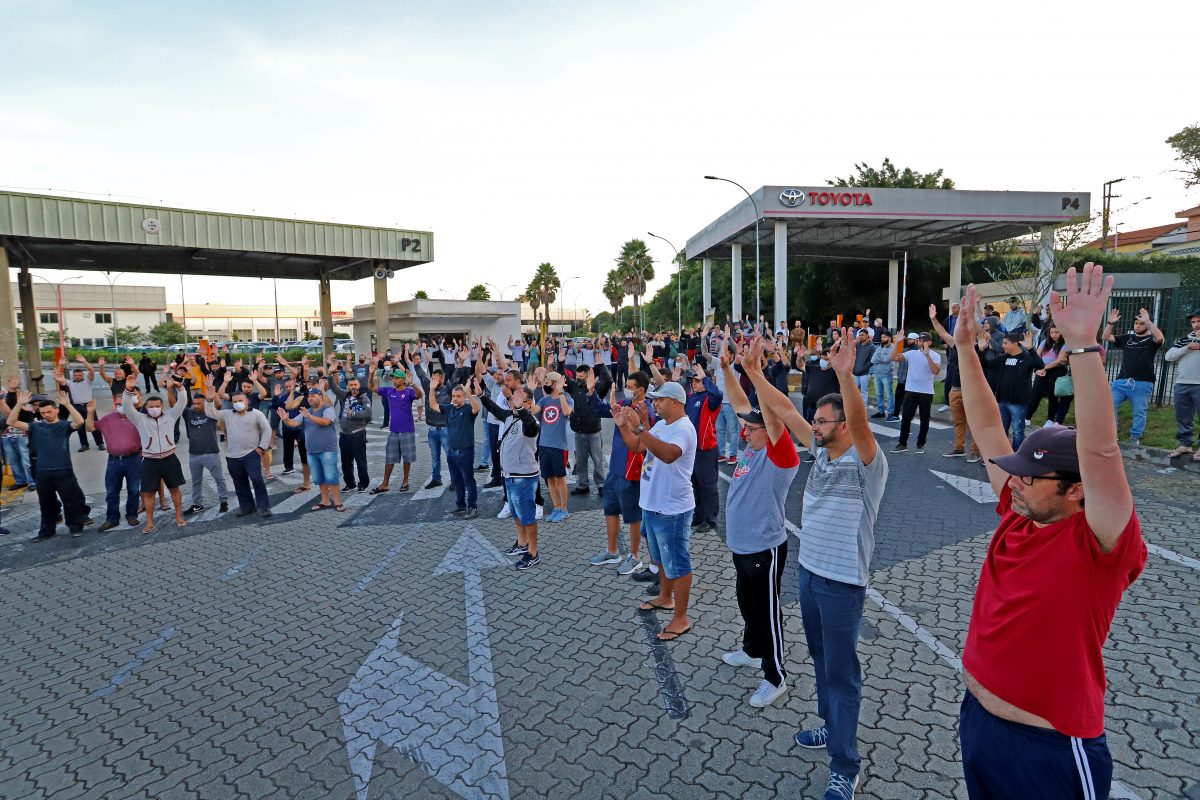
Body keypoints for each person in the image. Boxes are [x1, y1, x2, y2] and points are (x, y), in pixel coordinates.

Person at [953, 269, 1147, 800]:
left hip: (1050, 753)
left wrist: (1083, 348)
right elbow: (989, 427)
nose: (1011, 481)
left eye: (1029, 475)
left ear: (1076, 491)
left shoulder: (1100, 543)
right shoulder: (1020, 510)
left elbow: (1103, 453)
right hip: (978, 727)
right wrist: (966, 349)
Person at [756, 329, 887, 800]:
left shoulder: (868, 463)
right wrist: (753, 371)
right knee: (820, 660)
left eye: (825, 420)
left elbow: (863, 425)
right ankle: (832, 730)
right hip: (810, 575)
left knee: (841, 671)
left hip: (842, 584)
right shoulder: (820, 455)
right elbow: (787, 410)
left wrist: (846, 376)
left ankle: (846, 765)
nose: (816, 424)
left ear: (845, 425)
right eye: (817, 418)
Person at [718, 339, 800, 709]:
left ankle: (775, 675)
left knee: (767, 611)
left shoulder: (780, 455)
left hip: (764, 547)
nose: (744, 431)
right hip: (741, 545)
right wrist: (726, 369)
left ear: (769, 430)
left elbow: (771, 416)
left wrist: (758, 372)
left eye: (752, 428)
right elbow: (739, 403)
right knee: (746, 604)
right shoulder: (753, 446)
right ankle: (752, 650)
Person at [616, 381, 697, 642]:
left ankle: (681, 618)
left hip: (672, 508)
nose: (655, 403)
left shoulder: (684, 428)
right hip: (652, 505)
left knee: (678, 563)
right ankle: (665, 598)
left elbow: (669, 455)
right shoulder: (661, 425)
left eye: (660, 400)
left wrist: (641, 427)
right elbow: (638, 447)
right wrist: (622, 426)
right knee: (660, 558)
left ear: (675, 402)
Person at [7, 390, 93, 540]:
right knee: (45, 503)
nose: (46, 415)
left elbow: (79, 422)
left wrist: (68, 404)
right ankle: (46, 531)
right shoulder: (35, 427)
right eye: (43, 413)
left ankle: (75, 527)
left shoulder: (64, 426)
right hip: (42, 471)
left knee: (70, 501)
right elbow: (11, 422)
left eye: (49, 412)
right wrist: (19, 404)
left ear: (56, 410)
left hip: (64, 470)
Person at [480, 384, 542, 569]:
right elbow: (494, 408)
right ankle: (522, 543)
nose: (512, 402)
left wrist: (521, 409)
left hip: (524, 477)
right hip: (509, 475)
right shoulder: (509, 417)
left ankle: (533, 552)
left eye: (517, 400)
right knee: (516, 513)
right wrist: (481, 394)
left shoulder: (531, 423)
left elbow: (530, 426)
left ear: (528, 404)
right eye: (511, 400)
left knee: (527, 516)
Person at [119, 372, 187, 534]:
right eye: (151, 407)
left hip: (170, 459)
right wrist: (128, 390)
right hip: (150, 461)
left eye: (157, 406)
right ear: (146, 408)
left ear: (162, 406)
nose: (154, 409)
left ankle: (179, 516)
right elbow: (127, 407)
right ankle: (149, 522)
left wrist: (179, 387)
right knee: (149, 493)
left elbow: (182, 402)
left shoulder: (171, 415)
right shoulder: (140, 419)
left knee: (175, 489)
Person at [205, 385, 273, 518]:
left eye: (240, 400)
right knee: (240, 483)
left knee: (257, 479)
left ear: (246, 400)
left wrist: (261, 448)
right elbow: (211, 413)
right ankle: (247, 507)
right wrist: (208, 400)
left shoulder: (256, 414)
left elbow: (267, 430)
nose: (237, 403)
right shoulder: (228, 414)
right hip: (232, 456)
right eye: (235, 401)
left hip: (251, 454)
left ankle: (264, 507)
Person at [1103, 306, 1164, 445]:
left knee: (1139, 411)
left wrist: (1148, 322)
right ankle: (1112, 436)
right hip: (1120, 382)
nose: (1137, 326)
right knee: (1108, 406)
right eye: (1136, 323)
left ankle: (1135, 437)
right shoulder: (1127, 338)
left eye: (1141, 323)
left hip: (1142, 383)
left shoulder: (1151, 340)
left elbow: (1160, 338)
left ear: (1147, 324)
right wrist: (1110, 323)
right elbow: (1105, 337)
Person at [282, 386, 344, 512]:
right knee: (319, 478)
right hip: (312, 451)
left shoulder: (328, 409)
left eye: (313, 396)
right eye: (309, 396)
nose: (310, 399)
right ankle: (325, 501)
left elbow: (326, 422)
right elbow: (294, 423)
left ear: (320, 396)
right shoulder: (306, 411)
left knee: (331, 477)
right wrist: (286, 419)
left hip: (327, 449)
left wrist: (309, 417)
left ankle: (338, 502)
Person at [89, 389, 143, 531]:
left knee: (133, 489)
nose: (120, 406)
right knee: (112, 491)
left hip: (134, 459)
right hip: (113, 461)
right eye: (118, 404)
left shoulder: (138, 417)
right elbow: (90, 427)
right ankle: (112, 519)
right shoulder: (108, 419)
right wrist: (90, 411)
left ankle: (132, 515)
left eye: (123, 403)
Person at [428, 378, 482, 519]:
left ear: (463, 397)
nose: (455, 399)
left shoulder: (468, 409)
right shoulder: (449, 408)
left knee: (468, 480)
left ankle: (472, 507)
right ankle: (460, 506)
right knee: (457, 480)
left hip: (465, 451)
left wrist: (468, 393)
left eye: (459, 396)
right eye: (454, 396)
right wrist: (432, 389)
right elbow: (433, 404)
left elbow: (477, 408)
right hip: (452, 452)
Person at [683, 365, 722, 533]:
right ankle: (698, 515)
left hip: (706, 450)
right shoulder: (691, 398)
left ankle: (710, 519)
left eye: (698, 380)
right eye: (693, 380)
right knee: (694, 485)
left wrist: (706, 379)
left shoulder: (710, 398)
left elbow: (718, 394)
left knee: (708, 486)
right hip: (692, 450)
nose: (694, 383)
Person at [180, 390, 230, 516]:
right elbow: (174, 403)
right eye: (195, 403)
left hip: (211, 453)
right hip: (194, 454)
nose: (196, 406)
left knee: (219, 479)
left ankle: (224, 502)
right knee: (196, 481)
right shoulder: (188, 413)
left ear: (205, 403)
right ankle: (197, 504)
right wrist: (171, 388)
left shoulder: (210, 413)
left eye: (200, 404)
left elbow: (219, 406)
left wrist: (214, 395)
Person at [890, 332, 941, 454]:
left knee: (924, 419)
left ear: (929, 342)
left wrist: (927, 355)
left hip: (926, 392)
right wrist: (897, 342)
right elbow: (893, 357)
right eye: (919, 340)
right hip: (911, 390)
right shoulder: (912, 353)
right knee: (906, 417)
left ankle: (921, 443)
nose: (920, 342)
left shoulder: (935, 355)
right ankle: (902, 443)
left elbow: (936, 371)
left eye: (923, 340)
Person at [533, 371, 573, 521]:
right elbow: (532, 411)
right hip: (544, 445)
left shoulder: (568, 399)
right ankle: (556, 507)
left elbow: (567, 412)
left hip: (559, 446)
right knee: (549, 478)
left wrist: (561, 393)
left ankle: (564, 508)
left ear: (555, 384)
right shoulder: (544, 400)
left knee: (560, 478)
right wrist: (531, 392)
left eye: (548, 382)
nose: (545, 385)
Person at [565, 364, 609, 497]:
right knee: (580, 461)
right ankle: (583, 485)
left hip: (594, 431)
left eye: (581, 377)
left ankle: (601, 485)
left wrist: (601, 366)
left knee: (598, 460)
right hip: (578, 431)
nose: (578, 379)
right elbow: (564, 378)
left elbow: (608, 381)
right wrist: (561, 363)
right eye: (577, 376)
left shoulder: (597, 388)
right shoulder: (574, 386)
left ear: (588, 375)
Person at [992, 333, 1040, 448]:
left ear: (1015, 344)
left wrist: (1031, 349)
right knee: (1002, 430)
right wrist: (981, 350)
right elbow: (987, 364)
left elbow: (1040, 365)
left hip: (1018, 402)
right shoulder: (1005, 357)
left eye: (1005, 343)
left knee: (1018, 432)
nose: (1002, 345)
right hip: (1002, 401)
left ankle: (1016, 457)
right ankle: (1003, 453)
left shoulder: (1027, 357)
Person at [1165, 309, 1200, 461]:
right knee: (1183, 417)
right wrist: (1187, 347)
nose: (1196, 325)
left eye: (1199, 321)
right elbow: (1168, 356)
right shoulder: (1185, 339)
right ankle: (1185, 444)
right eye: (1193, 322)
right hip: (1182, 383)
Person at [329, 372, 373, 493]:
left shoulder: (364, 397)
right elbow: (333, 387)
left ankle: (363, 483)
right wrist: (330, 374)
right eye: (351, 385)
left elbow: (368, 413)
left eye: (355, 384)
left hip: (357, 434)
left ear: (358, 385)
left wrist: (353, 414)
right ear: (348, 386)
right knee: (345, 461)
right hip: (344, 434)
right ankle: (350, 483)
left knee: (360, 460)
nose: (353, 387)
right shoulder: (344, 395)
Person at [1025, 324, 1072, 427]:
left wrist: (1044, 368)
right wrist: (1039, 368)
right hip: (1041, 370)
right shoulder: (1044, 342)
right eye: (1052, 332)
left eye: (1057, 332)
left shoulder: (1065, 344)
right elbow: (1037, 355)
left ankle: (1050, 420)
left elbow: (1059, 360)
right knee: (1035, 395)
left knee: (1053, 396)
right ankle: (1027, 417)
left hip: (1056, 371)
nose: (1054, 335)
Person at [56, 356, 105, 452]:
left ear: (82, 375)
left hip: (89, 406)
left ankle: (100, 443)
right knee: (80, 426)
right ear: (73, 376)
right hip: (76, 406)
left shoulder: (88, 382)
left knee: (94, 424)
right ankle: (84, 444)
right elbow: (58, 376)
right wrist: (60, 365)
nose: (78, 377)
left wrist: (84, 361)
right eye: (76, 375)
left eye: (80, 375)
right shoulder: (69, 383)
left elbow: (91, 370)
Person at [415, 363, 452, 489]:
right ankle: (436, 479)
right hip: (431, 429)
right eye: (433, 377)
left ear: (442, 378)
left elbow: (457, 374)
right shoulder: (428, 387)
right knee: (435, 456)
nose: (434, 380)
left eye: (436, 378)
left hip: (445, 429)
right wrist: (412, 360)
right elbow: (420, 373)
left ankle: (455, 479)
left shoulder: (448, 388)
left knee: (450, 456)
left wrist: (461, 363)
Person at [1, 377, 33, 490]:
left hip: (23, 436)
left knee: (26, 460)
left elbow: (19, 414)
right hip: (8, 436)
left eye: (19, 393)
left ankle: (32, 481)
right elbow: (10, 403)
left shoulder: (29, 408)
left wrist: (18, 402)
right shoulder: (14, 404)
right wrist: (11, 390)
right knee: (13, 461)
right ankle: (21, 481)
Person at [868, 331, 895, 419]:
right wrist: (882, 359)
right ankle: (881, 411)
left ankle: (891, 413)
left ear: (889, 338)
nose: (882, 339)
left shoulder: (893, 348)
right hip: (877, 375)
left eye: (884, 337)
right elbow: (872, 360)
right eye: (882, 337)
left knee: (889, 395)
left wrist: (879, 359)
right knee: (879, 394)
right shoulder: (880, 347)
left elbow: (887, 359)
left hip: (887, 375)